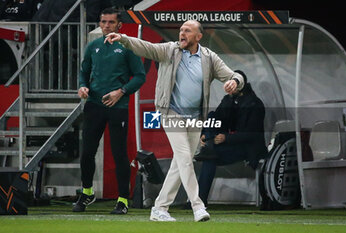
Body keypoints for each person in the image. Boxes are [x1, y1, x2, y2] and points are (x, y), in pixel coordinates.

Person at [104, 20, 244, 222]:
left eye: (187, 31)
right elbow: (147, 47)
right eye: (181, 30)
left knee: (181, 163)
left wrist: (235, 81)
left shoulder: (209, 58)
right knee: (185, 157)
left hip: (195, 117)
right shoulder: (169, 50)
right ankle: (198, 206)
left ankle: (159, 208)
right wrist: (124, 39)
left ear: (198, 37)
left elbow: (235, 76)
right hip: (171, 113)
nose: (182, 33)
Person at [73, 8, 146, 214]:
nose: (106, 26)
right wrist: (82, 86)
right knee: (87, 152)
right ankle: (87, 192)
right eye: (103, 22)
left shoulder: (127, 47)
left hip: (118, 106)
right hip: (94, 105)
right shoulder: (93, 46)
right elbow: (84, 72)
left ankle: (122, 200)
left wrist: (121, 92)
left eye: (111, 22)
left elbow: (140, 76)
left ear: (119, 25)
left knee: (119, 153)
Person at [196, 71, 267, 206]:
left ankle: (199, 201)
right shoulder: (228, 100)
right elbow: (216, 117)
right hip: (231, 144)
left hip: (248, 148)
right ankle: (199, 201)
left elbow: (252, 135)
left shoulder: (254, 104)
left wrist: (226, 138)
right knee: (211, 117)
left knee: (210, 156)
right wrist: (204, 134)